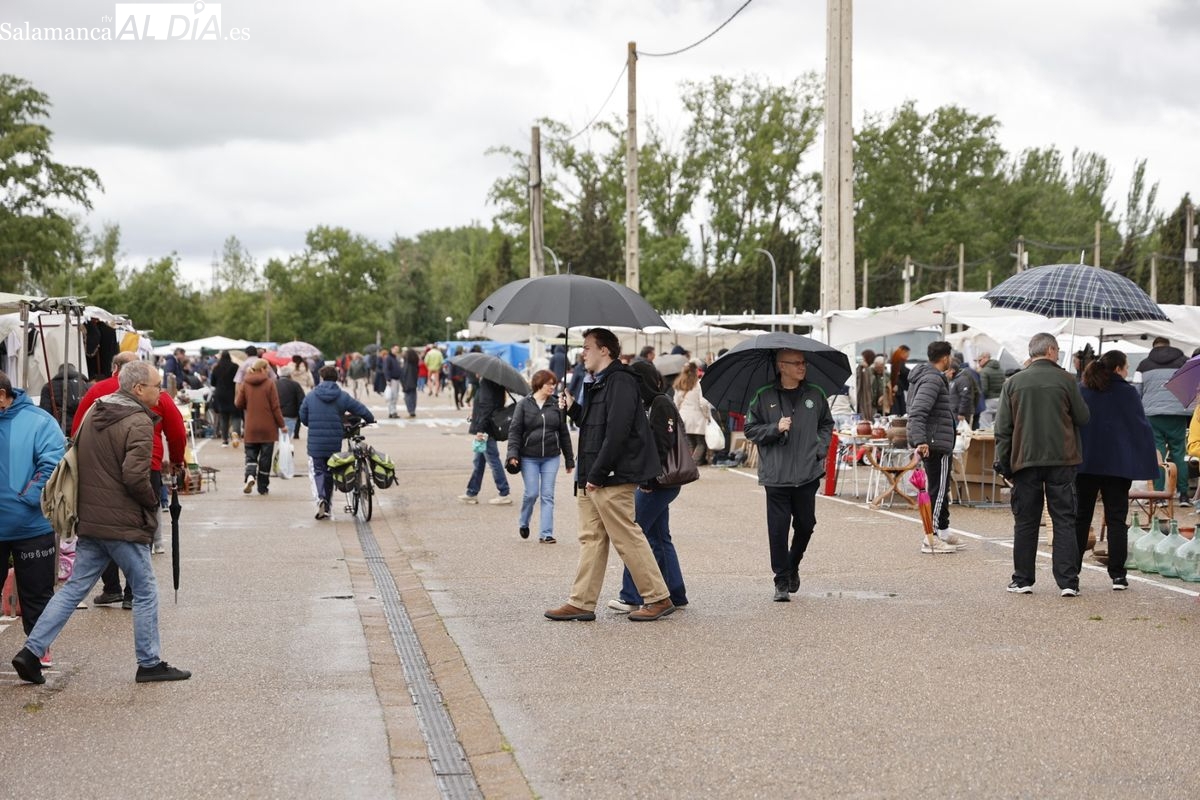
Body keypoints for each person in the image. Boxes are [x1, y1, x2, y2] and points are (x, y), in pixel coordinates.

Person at [12, 360, 192, 685]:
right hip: (121, 521)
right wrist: (152, 503)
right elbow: (135, 476)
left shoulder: (97, 409)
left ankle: (31, 650)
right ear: (138, 389)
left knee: (73, 589)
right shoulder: (139, 420)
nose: (161, 392)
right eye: (156, 386)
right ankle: (149, 662)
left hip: (92, 517)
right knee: (146, 590)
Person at [545, 327, 674, 622]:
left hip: (611, 475)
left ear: (604, 350)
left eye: (587, 347)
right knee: (591, 538)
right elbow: (595, 426)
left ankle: (658, 597)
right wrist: (573, 409)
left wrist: (599, 473)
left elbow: (618, 431)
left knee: (626, 536)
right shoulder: (599, 382)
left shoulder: (621, 381)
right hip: (592, 473)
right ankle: (581, 602)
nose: (582, 353)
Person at [995, 333, 1091, 596]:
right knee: (1064, 519)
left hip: (1025, 460)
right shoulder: (1066, 380)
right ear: (1049, 350)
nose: (1058, 354)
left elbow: (1002, 429)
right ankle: (1068, 581)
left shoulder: (1013, 383)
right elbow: (1083, 417)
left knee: (1026, 521)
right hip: (1062, 458)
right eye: (1057, 350)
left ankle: (1023, 579)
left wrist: (1005, 464)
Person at [76, 350, 185, 572]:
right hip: (146, 465)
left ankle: (112, 585)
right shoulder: (153, 393)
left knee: (104, 524)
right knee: (139, 525)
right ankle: (133, 585)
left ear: (115, 368)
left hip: (102, 467)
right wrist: (176, 461)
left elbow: (78, 427)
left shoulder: (97, 390)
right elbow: (177, 432)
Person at [745, 349, 834, 601]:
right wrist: (775, 428)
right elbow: (750, 429)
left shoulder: (815, 394)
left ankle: (793, 564)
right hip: (776, 475)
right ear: (781, 366)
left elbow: (826, 424)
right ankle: (781, 580)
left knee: (806, 524)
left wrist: (819, 448)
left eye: (803, 362)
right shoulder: (763, 395)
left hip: (807, 473)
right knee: (778, 529)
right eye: (796, 363)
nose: (802, 367)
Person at [608, 360, 689, 613]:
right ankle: (675, 593)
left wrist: (647, 479)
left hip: (658, 481)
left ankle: (631, 595)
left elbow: (662, 444)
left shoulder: (660, 403)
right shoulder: (651, 403)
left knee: (633, 534)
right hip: (660, 481)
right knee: (659, 537)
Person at [1074, 351, 1159, 591]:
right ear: (1118, 368)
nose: (1127, 371)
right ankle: (1118, 575)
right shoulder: (1127, 392)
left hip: (1086, 463)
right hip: (1117, 465)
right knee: (1116, 520)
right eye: (1126, 366)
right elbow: (1140, 427)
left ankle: (1071, 573)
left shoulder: (1082, 390)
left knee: (1080, 517)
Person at [0, 370, 66, 669]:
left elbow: (52, 463)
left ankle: (38, 647)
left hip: (31, 525)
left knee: (37, 592)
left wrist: (28, 497)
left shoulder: (40, 421)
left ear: (2, 395)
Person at [907, 342, 966, 553]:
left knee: (940, 488)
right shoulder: (932, 379)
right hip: (935, 442)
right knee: (937, 491)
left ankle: (943, 530)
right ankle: (930, 537)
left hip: (934, 440)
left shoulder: (928, 377)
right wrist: (920, 440)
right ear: (945, 358)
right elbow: (918, 411)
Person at [506, 369, 574, 542]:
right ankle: (524, 522)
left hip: (551, 457)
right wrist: (512, 454)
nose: (552, 387)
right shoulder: (523, 405)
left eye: (554, 384)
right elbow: (514, 431)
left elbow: (564, 433)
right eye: (549, 384)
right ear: (539, 384)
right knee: (531, 493)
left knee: (548, 495)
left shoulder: (557, 405)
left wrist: (569, 459)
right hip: (529, 457)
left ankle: (546, 534)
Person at [300, 365, 375, 520]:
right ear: (336, 378)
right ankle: (327, 503)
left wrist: (312, 423)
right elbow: (360, 409)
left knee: (318, 471)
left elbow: (303, 417)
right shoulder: (342, 396)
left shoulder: (311, 396)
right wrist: (370, 419)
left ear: (321, 378)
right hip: (334, 441)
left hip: (315, 442)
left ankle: (321, 499)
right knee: (330, 470)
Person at [1135, 337, 1193, 507]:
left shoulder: (1143, 365)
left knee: (1158, 453)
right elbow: (1192, 386)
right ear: (1169, 346)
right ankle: (1183, 495)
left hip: (1152, 414)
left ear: (1154, 347)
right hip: (1177, 413)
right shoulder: (1184, 362)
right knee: (1179, 453)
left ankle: (1159, 496)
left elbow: (1137, 391)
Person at [459, 373, 512, 505]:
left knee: (493, 460)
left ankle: (504, 492)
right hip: (488, 426)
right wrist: (475, 413)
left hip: (486, 429)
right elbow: (487, 406)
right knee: (479, 461)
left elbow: (486, 407)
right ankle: (472, 492)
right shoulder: (494, 382)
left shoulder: (487, 383)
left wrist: (480, 430)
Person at [236, 359, 286, 496]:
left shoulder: (245, 383)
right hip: (268, 428)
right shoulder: (270, 384)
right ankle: (262, 487)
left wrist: (249, 404)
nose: (269, 370)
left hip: (251, 427)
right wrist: (282, 425)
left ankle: (250, 475)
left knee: (250, 455)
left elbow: (238, 403)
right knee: (265, 458)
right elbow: (275, 407)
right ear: (262, 369)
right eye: (267, 368)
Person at [673, 362, 713, 466]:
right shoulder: (699, 384)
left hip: (683, 417)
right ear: (696, 371)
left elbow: (675, 403)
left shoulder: (679, 384)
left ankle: (693, 462)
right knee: (701, 443)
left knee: (691, 442)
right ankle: (693, 462)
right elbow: (703, 403)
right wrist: (707, 416)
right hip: (697, 417)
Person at [40, 362, 86, 433]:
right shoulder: (87, 385)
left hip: (62, 430)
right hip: (82, 427)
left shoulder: (49, 387)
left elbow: (45, 413)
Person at [209, 350, 240, 446]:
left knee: (223, 417)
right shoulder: (235, 367)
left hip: (220, 394)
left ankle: (225, 440)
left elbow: (212, 383)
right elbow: (238, 381)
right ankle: (235, 435)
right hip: (233, 393)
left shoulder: (216, 368)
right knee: (235, 416)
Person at [276, 364, 306, 439]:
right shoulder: (295, 385)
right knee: (286, 438)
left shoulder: (274, 384)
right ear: (290, 374)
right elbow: (301, 400)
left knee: (279, 438)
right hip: (291, 414)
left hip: (276, 414)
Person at [978, 352, 1004, 427]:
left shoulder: (984, 371)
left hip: (989, 400)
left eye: (980, 360)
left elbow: (984, 389)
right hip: (1000, 399)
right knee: (996, 425)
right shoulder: (1000, 370)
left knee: (985, 425)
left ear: (985, 358)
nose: (978, 363)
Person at [888, 345, 911, 416]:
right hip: (897, 388)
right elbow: (902, 371)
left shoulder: (896, 360)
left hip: (898, 388)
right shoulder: (899, 361)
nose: (908, 356)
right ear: (903, 352)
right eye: (907, 353)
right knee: (898, 409)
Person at [854, 349, 876, 420]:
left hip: (867, 398)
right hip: (860, 398)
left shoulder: (870, 370)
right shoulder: (861, 368)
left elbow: (870, 382)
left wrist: (866, 368)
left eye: (863, 357)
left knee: (866, 414)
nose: (861, 359)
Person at [383, 345, 403, 418]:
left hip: (397, 379)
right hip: (392, 379)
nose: (396, 350)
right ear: (392, 349)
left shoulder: (395, 358)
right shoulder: (389, 358)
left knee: (395, 396)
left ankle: (393, 411)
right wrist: (388, 379)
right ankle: (392, 412)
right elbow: (386, 369)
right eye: (395, 349)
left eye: (397, 349)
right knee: (392, 397)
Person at [401, 347, 420, 417]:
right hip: (414, 382)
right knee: (413, 396)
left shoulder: (407, 363)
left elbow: (404, 373)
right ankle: (413, 410)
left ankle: (411, 411)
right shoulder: (415, 362)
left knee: (407, 397)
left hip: (407, 382)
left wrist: (403, 382)